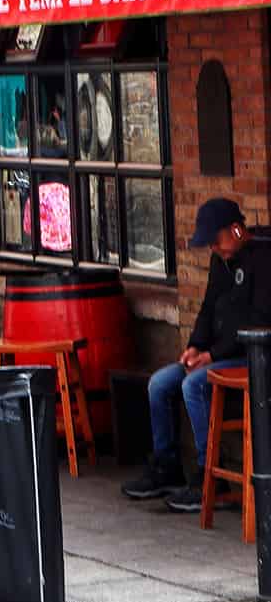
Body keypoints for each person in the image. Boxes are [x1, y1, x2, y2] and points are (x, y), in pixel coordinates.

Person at [123, 198, 271, 512]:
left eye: (217, 241)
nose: (215, 249)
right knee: (160, 384)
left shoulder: (262, 260)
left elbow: (257, 319)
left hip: (249, 356)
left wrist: (212, 355)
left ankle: (210, 478)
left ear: (236, 229)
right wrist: (194, 346)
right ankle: (167, 465)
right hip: (214, 354)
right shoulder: (221, 263)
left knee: (194, 386)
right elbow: (207, 309)